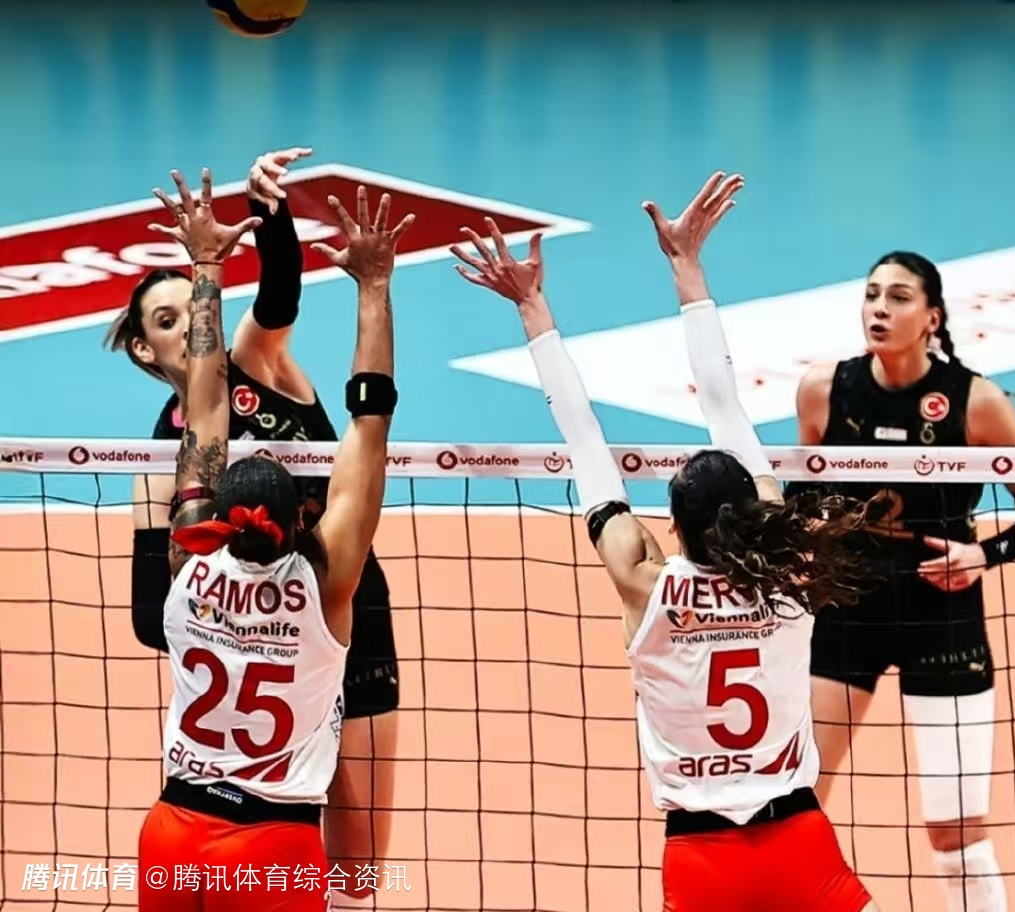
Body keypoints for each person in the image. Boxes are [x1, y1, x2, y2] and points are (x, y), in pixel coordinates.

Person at [450, 172, 881, 912]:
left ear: (671, 529)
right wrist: (688, 267)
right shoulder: (787, 571)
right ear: (756, 509)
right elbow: (723, 402)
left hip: (700, 857)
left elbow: (584, 438)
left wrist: (532, 308)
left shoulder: (644, 581)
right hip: (798, 843)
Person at [106, 148, 401, 896]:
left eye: (190, 310)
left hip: (346, 603)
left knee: (359, 868)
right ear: (143, 347)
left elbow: (279, 291)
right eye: (164, 320)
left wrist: (268, 211)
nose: (185, 328)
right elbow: (150, 616)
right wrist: (247, 625)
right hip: (265, 644)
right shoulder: (160, 455)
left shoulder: (252, 363)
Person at [791, 250, 1015, 912]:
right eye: (872, 294)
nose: (880, 308)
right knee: (796, 800)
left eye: (899, 297)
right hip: (849, 606)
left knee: (955, 833)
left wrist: (982, 555)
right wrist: (801, 539)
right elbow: (799, 495)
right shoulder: (825, 391)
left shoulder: (976, 402)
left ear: (931, 318)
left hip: (943, 614)